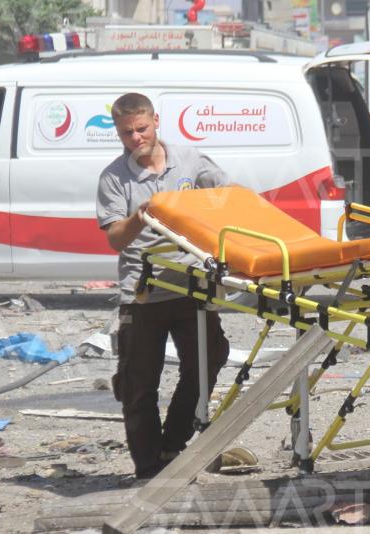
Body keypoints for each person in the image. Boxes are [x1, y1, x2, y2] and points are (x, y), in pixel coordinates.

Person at [96, 93, 231, 479]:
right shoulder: (114, 178)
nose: (136, 138)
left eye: (141, 129)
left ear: (155, 121)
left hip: (191, 286)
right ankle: (148, 468)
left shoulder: (190, 160)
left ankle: (173, 444)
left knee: (209, 359)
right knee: (138, 384)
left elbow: (227, 197)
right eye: (126, 133)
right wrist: (142, 215)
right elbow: (116, 239)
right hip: (143, 292)